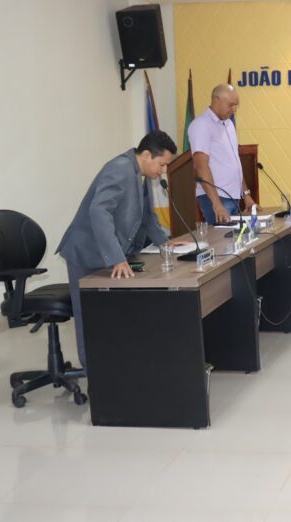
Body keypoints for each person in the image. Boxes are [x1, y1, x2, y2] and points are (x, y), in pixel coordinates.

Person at [56, 131, 182, 371]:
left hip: (106, 253)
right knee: (90, 318)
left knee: (111, 315)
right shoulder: (120, 168)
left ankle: (115, 367)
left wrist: (163, 242)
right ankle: (95, 373)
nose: (164, 170)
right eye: (162, 164)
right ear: (147, 155)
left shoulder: (140, 174)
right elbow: (99, 211)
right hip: (87, 253)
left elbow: (146, 216)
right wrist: (116, 258)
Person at [188, 84, 253, 223]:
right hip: (216, 198)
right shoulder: (201, 125)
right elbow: (201, 166)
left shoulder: (229, 124)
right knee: (223, 237)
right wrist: (217, 205)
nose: (234, 109)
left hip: (234, 196)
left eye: (236, 105)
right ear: (216, 101)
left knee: (236, 237)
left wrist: (246, 195)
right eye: (231, 105)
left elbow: (235, 163)